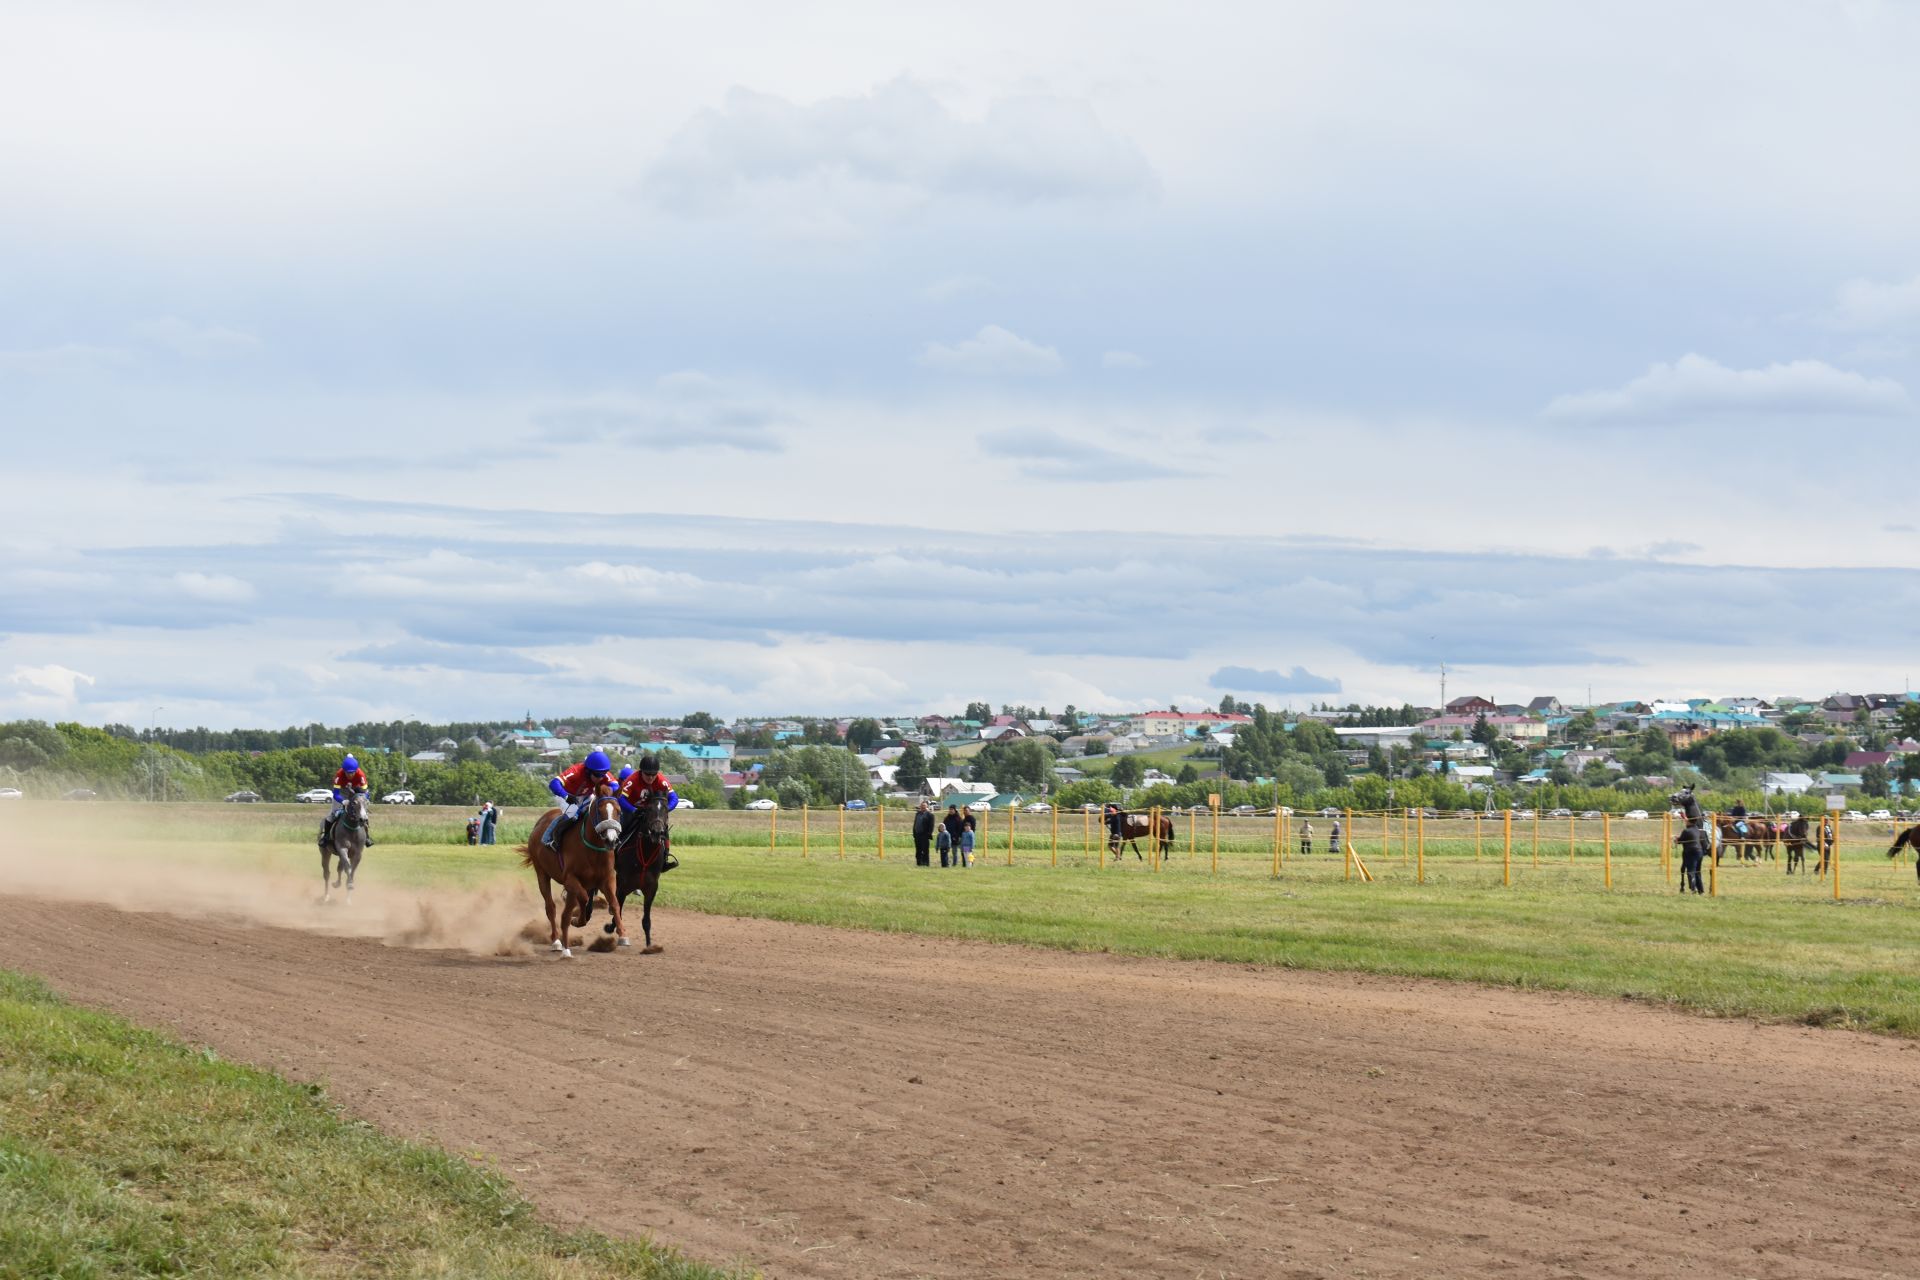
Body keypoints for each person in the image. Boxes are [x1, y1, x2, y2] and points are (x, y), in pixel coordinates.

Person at [617, 754, 680, 871]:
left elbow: (674, 798)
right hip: (632, 809)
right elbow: (621, 798)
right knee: (623, 829)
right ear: (641, 771)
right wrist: (633, 810)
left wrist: (664, 810)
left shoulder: (662, 780)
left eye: (653, 774)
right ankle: (615, 853)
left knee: (663, 828)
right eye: (647, 774)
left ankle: (665, 858)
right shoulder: (632, 780)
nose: (650, 777)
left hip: (651, 811)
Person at [543, 750, 616, 849]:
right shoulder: (576, 771)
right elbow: (553, 784)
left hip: (585, 795)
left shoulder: (601, 773)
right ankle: (550, 838)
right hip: (565, 795)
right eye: (597, 775)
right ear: (588, 771)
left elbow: (615, 786)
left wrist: (609, 790)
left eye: (603, 774)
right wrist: (566, 796)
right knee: (573, 813)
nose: (601, 778)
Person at [318, 754, 372, 850]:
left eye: (352, 773)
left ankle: (367, 837)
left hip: (356, 792)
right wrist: (343, 801)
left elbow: (366, 793)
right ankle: (325, 837)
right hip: (341, 793)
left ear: (356, 770)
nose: (350, 775)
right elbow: (335, 794)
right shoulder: (339, 775)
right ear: (344, 770)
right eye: (347, 773)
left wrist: (362, 798)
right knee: (332, 815)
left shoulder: (361, 775)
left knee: (364, 815)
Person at [1676, 823, 1712, 894]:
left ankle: (1693, 888)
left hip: (1690, 853)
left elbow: (1679, 841)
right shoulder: (1701, 832)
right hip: (1700, 853)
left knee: (1691, 871)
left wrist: (1676, 839)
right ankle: (1701, 890)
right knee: (1698, 871)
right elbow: (1706, 845)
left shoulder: (1686, 831)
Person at [912, 800, 935, 867]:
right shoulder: (917, 814)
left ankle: (926, 863)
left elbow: (931, 826)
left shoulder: (930, 815)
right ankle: (919, 863)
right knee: (918, 850)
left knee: (925, 850)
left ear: (927, 806)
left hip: (925, 835)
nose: (923, 807)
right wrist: (914, 833)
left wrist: (928, 834)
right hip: (917, 835)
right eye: (922, 806)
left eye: (924, 806)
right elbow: (915, 824)